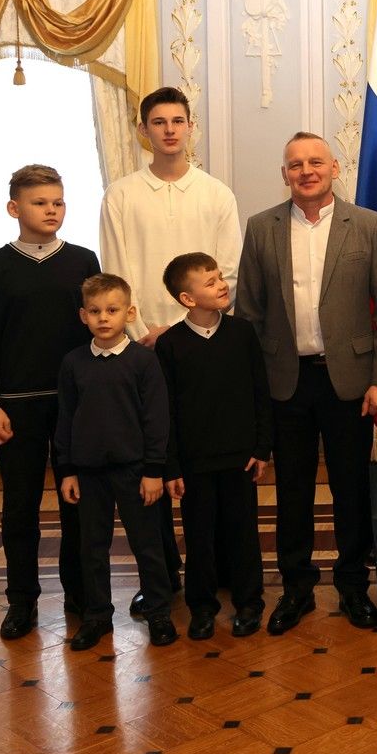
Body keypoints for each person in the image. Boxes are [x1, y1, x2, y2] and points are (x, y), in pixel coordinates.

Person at [237, 132, 377, 634]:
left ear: (334, 168)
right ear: (284, 174)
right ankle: (296, 589)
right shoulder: (261, 227)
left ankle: (352, 586)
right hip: (285, 381)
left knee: (352, 489)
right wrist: (252, 390)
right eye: (295, 165)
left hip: (349, 381)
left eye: (315, 162)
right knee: (292, 491)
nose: (306, 171)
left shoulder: (367, 225)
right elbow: (249, 313)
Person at [99, 86, 242, 613]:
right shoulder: (121, 195)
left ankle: (220, 565)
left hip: (203, 344)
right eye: (158, 122)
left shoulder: (216, 194)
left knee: (207, 456)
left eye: (177, 121)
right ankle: (159, 575)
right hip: (142, 345)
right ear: (144, 131)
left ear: (190, 126)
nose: (169, 130)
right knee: (152, 462)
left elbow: (228, 271)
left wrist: (182, 327)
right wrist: (146, 332)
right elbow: (116, 271)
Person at [0, 164, 100, 640]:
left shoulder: (83, 260)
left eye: (58, 202)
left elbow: (99, 331)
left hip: (74, 406)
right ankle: (21, 601)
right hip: (15, 407)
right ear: (14, 208)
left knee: (78, 506)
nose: (51, 210)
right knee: (19, 508)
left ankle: (81, 596)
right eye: (40, 202)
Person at [54, 274, 177, 651]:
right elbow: (66, 418)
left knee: (148, 545)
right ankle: (96, 616)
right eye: (95, 311)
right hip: (89, 472)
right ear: (83, 316)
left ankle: (158, 611)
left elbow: (157, 418)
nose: (103, 318)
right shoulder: (73, 362)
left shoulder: (143, 361)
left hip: (136, 471)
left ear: (130, 313)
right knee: (92, 547)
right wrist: (67, 470)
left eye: (112, 310)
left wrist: (154, 470)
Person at [156, 252, 273, 641]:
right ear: (187, 299)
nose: (222, 285)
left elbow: (259, 392)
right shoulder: (170, 344)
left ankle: (249, 603)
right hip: (194, 463)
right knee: (199, 536)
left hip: (240, 457)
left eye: (220, 277)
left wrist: (262, 447)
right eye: (210, 282)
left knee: (243, 533)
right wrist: (171, 466)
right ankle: (202, 608)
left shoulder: (242, 333)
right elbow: (167, 411)